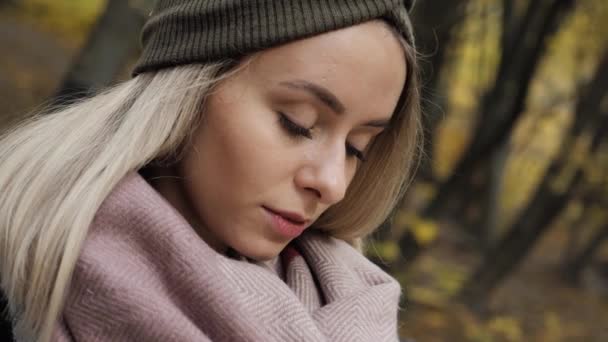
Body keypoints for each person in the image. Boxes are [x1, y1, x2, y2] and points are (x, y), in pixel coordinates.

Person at [0, 1, 422, 341]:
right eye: (298, 122)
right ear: (190, 88)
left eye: (356, 148)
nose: (332, 184)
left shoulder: (357, 308)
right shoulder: (17, 284)